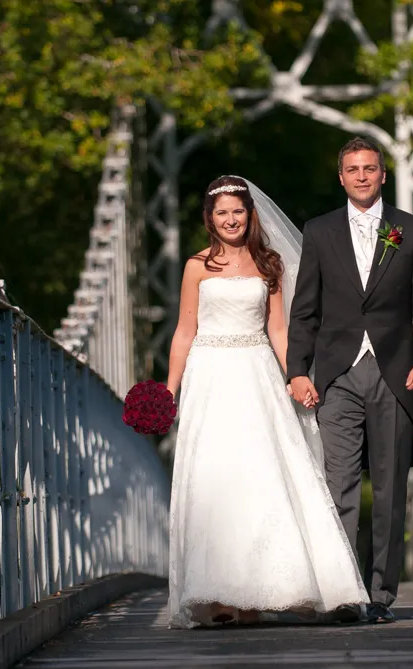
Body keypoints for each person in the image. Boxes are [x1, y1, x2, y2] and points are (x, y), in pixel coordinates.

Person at [164, 175, 369, 629]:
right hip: (210, 375)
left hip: (256, 372)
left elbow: (279, 329)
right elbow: (184, 330)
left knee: (262, 472)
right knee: (214, 478)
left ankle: (261, 592)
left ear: (249, 215)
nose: (231, 220)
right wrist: (169, 390)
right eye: (222, 213)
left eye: (237, 211)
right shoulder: (197, 266)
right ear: (209, 219)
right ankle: (217, 595)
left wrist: (295, 374)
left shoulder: (269, 264)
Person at [287, 137, 413, 624]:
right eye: (353, 169)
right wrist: (297, 369)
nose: (361, 176)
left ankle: (380, 597)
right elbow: (305, 310)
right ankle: (343, 591)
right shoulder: (318, 231)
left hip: (397, 374)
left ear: (383, 175)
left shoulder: (412, 231)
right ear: (341, 177)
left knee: (391, 489)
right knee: (338, 487)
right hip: (336, 374)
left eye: (370, 168)